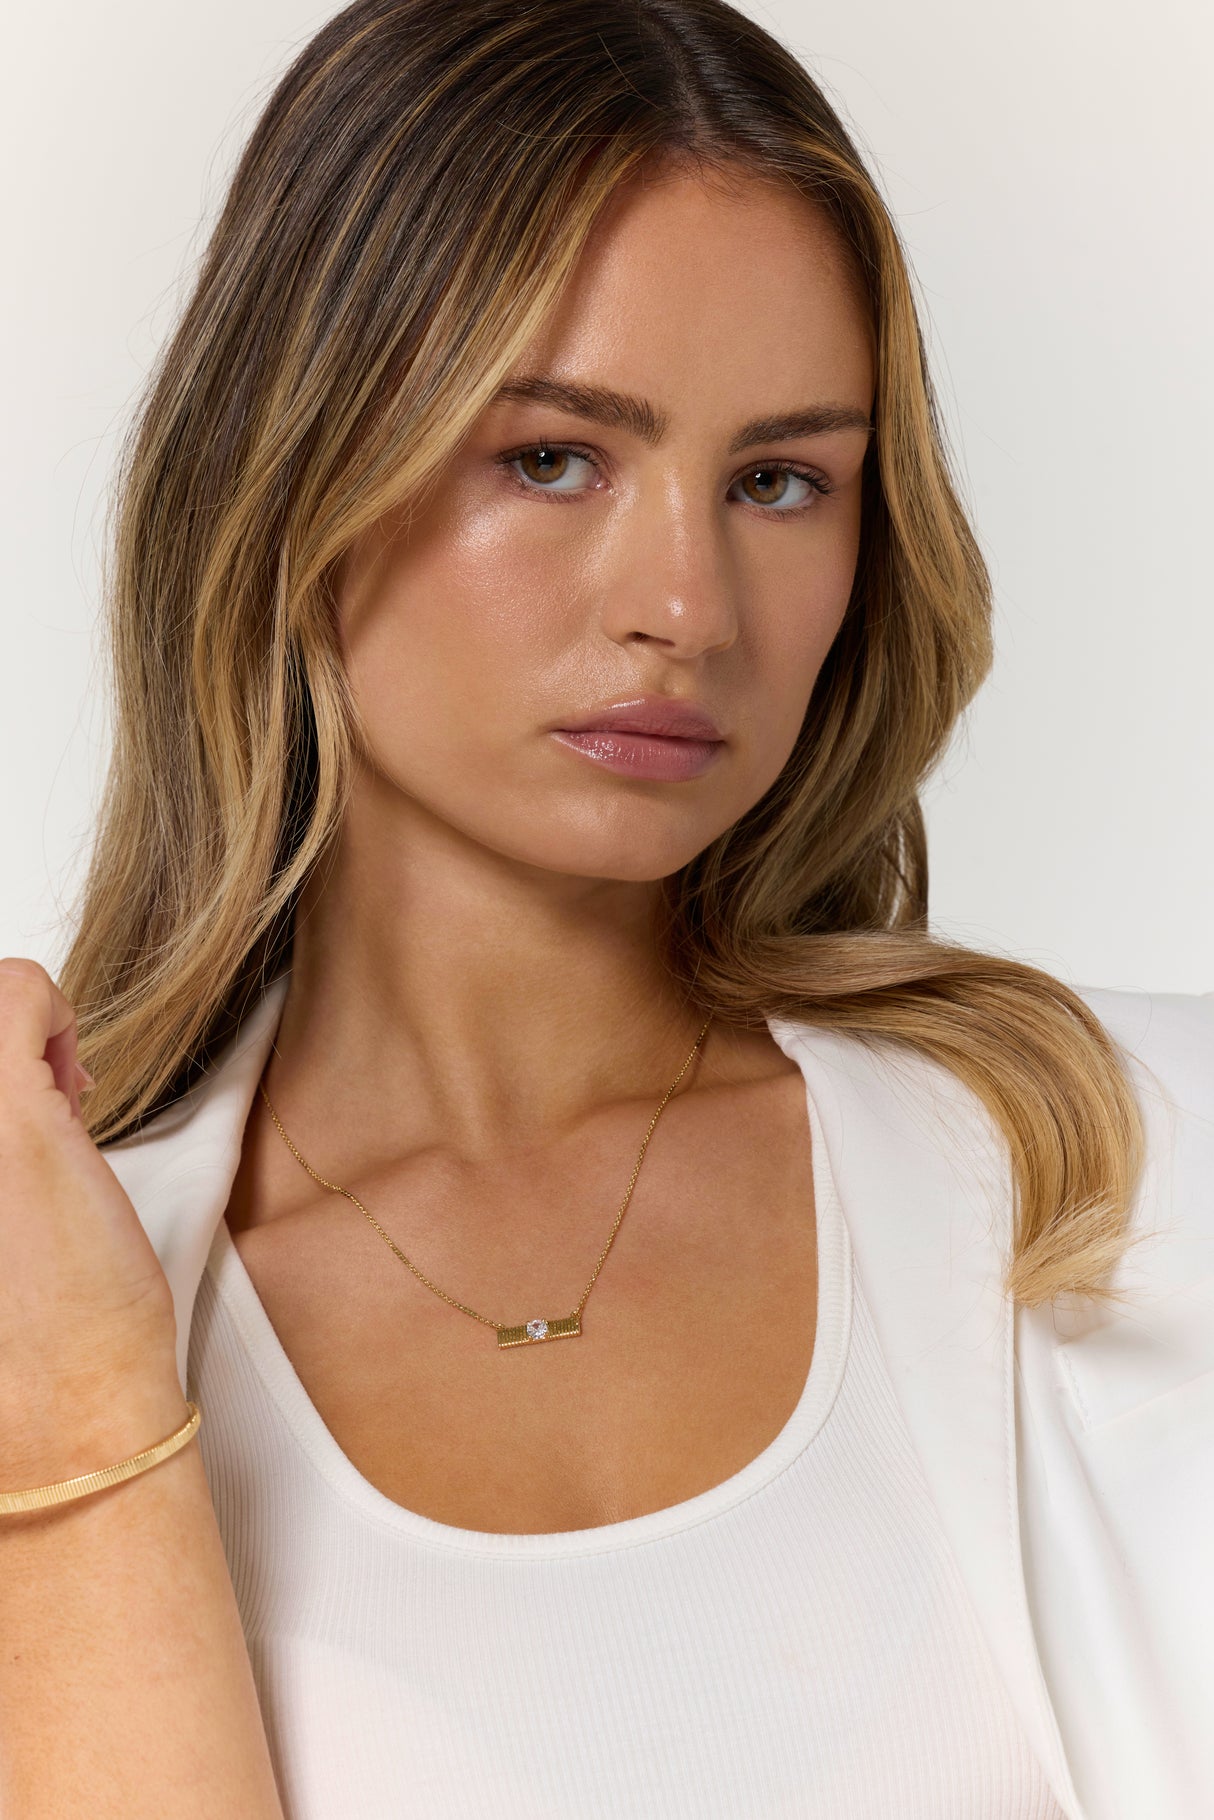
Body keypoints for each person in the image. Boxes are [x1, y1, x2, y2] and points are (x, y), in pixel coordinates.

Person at [1, 1, 1210, 1816]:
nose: (686, 607)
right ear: (293, 471)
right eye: (552, 457)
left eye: (778, 481)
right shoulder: (66, 1308)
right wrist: (79, 1429)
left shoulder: (1140, 1163)